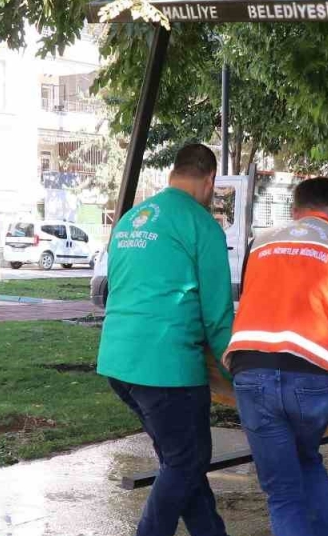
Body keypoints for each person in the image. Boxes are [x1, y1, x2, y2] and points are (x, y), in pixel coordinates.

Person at [224, 177, 328, 536]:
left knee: (284, 493)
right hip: (314, 377)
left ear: (294, 212)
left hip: (250, 369)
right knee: (307, 460)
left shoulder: (260, 243)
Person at [96, 143, 234, 536]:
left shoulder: (130, 221)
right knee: (186, 462)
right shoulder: (201, 224)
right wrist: (241, 373)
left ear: (175, 173)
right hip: (166, 367)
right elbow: (219, 316)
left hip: (119, 362)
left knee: (182, 462)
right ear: (209, 181)